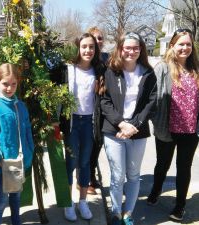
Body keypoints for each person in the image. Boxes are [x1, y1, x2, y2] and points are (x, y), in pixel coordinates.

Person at [147, 28, 199, 222]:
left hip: (191, 129)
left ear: (193, 47)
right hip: (167, 128)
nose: (185, 48)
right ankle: (156, 190)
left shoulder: (198, 68)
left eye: (188, 44)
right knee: (162, 165)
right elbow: (152, 97)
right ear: (172, 45)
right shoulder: (163, 68)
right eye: (181, 44)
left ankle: (180, 206)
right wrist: (154, 120)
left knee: (184, 168)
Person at [101, 32, 157, 225]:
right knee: (117, 175)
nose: (131, 51)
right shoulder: (111, 70)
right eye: (128, 47)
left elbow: (152, 102)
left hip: (137, 131)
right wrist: (122, 123)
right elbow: (104, 101)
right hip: (114, 130)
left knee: (133, 175)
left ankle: (128, 214)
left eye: (136, 48)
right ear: (120, 49)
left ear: (140, 49)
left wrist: (134, 125)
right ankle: (116, 213)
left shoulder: (148, 73)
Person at [0, 63, 34, 225]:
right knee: (1, 201)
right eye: (5, 84)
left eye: (13, 84)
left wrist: (29, 151)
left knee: (16, 197)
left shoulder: (21, 106)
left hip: (19, 162)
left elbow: (27, 130)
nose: (9, 88)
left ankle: (16, 221)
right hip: (4, 165)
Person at [59, 33, 104, 221]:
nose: (88, 50)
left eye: (91, 47)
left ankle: (83, 201)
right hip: (72, 122)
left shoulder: (99, 70)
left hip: (89, 122)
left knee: (85, 163)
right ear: (78, 48)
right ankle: (68, 202)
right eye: (84, 46)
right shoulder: (68, 69)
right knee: (70, 163)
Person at [87, 26, 110, 194]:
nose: (98, 41)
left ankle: (91, 175)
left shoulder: (107, 59)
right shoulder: (85, 60)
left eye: (100, 38)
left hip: (103, 107)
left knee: (97, 144)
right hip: (88, 108)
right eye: (95, 38)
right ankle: (86, 179)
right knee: (87, 146)